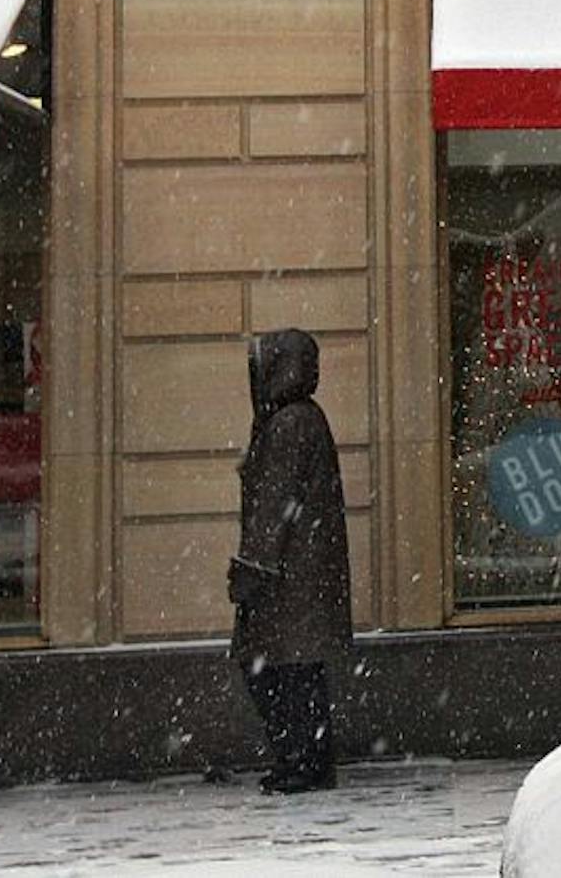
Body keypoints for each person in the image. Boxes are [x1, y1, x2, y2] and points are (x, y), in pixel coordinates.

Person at [229, 328, 351, 793]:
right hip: (301, 576)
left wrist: (251, 570)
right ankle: (306, 760)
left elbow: (272, 509)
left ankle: (302, 761)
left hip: (286, 581)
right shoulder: (302, 420)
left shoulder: (288, 424)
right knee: (297, 674)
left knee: (274, 673)